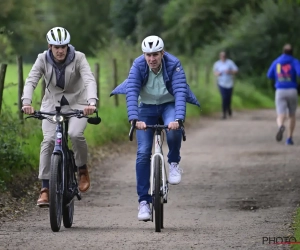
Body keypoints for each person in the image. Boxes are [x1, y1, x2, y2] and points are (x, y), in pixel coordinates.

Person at [110, 35, 200, 221]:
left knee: (173, 129)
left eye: (156, 55)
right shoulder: (138, 65)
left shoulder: (174, 64)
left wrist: (178, 118)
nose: (152, 59)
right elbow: (133, 91)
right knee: (143, 152)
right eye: (148, 55)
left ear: (162, 53)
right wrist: (135, 119)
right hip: (146, 108)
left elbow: (181, 92)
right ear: (144, 55)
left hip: (169, 105)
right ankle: (144, 201)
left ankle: (174, 162)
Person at [21, 27, 98, 206]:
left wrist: (92, 102)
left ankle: (82, 169)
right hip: (52, 105)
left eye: (63, 46)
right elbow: (31, 80)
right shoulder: (42, 59)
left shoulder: (79, 58)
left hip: (79, 104)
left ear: (67, 45)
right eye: (56, 46)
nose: (60, 50)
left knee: (75, 134)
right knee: (48, 141)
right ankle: (45, 188)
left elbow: (89, 79)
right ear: (50, 46)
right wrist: (26, 102)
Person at [267, 44, 300, 145]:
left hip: (280, 90)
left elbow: (269, 75)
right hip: (292, 90)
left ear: (283, 51)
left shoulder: (276, 62)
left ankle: (281, 125)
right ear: (292, 52)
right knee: (292, 115)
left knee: (280, 114)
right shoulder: (294, 61)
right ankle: (289, 138)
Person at [213, 51, 238, 119]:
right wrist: (218, 73)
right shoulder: (217, 64)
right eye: (222, 56)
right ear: (220, 56)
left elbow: (236, 70)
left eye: (224, 56)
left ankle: (229, 108)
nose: (223, 57)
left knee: (228, 98)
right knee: (224, 98)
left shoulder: (230, 63)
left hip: (229, 83)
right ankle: (224, 114)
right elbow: (215, 72)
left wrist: (229, 71)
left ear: (226, 56)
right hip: (221, 83)